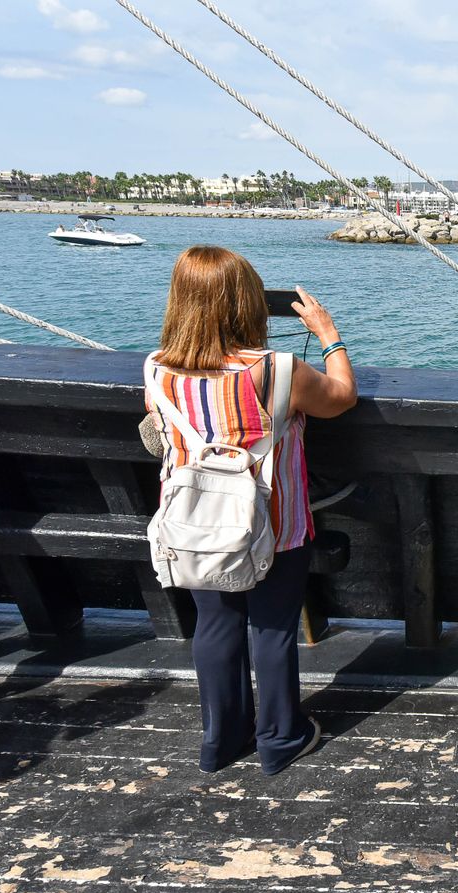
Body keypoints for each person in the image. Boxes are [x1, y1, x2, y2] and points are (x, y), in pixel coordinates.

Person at [146, 246, 356, 775]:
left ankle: (220, 743)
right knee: (273, 629)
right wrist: (329, 334)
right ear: (247, 304)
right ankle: (279, 740)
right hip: (275, 525)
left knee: (214, 627)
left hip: (194, 522)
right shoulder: (277, 370)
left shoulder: (156, 369)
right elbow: (341, 397)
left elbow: (159, 429)